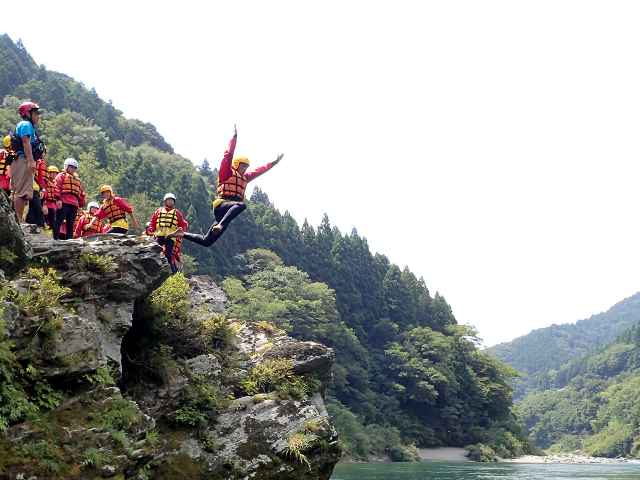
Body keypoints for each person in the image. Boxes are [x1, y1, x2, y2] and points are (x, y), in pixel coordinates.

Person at [177, 126, 283, 246]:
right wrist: (234, 138)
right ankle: (220, 224)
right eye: (242, 166)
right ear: (236, 165)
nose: (245, 169)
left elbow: (259, 171)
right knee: (241, 205)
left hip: (227, 213)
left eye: (246, 167)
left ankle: (181, 234)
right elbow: (228, 155)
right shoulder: (227, 173)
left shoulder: (245, 178)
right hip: (221, 205)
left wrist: (273, 163)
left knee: (207, 241)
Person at [11, 102, 44, 221]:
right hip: (23, 160)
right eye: (35, 113)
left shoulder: (29, 127)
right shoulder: (25, 124)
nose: (37, 116)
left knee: (25, 193)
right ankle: (18, 221)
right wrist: (31, 161)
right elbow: (26, 142)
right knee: (21, 193)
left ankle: (18, 220)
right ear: (27, 114)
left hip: (24, 160)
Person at [148, 193, 188, 274]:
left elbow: (184, 224)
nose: (170, 202)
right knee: (155, 251)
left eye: (171, 200)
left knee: (169, 255)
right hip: (159, 235)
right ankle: (155, 269)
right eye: (168, 200)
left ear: (174, 202)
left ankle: (173, 272)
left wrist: (180, 232)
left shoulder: (177, 213)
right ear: (165, 201)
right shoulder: (158, 211)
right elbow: (152, 222)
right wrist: (151, 228)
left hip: (171, 237)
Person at [53, 158, 86, 240]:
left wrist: (81, 204)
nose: (73, 169)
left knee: (70, 223)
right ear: (66, 166)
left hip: (74, 204)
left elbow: (81, 193)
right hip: (64, 202)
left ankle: (69, 239)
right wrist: (58, 199)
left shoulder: (77, 180)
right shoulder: (61, 175)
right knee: (59, 220)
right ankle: (55, 238)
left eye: (74, 168)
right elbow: (57, 186)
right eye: (71, 167)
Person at [25, 153, 48, 228]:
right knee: (34, 207)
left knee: (34, 207)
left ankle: (37, 225)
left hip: (36, 188)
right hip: (28, 186)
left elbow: (41, 178)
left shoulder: (40, 162)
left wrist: (42, 189)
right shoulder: (28, 159)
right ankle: (39, 224)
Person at [42, 165, 59, 230]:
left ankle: (51, 236)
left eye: (55, 173)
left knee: (53, 223)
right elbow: (44, 193)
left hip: (53, 205)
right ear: (48, 173)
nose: (54, 174)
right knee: (45, 221)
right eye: (52, 172)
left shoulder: (55, 183)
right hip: (47, 204)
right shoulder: (45, 182)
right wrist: (44, 204)